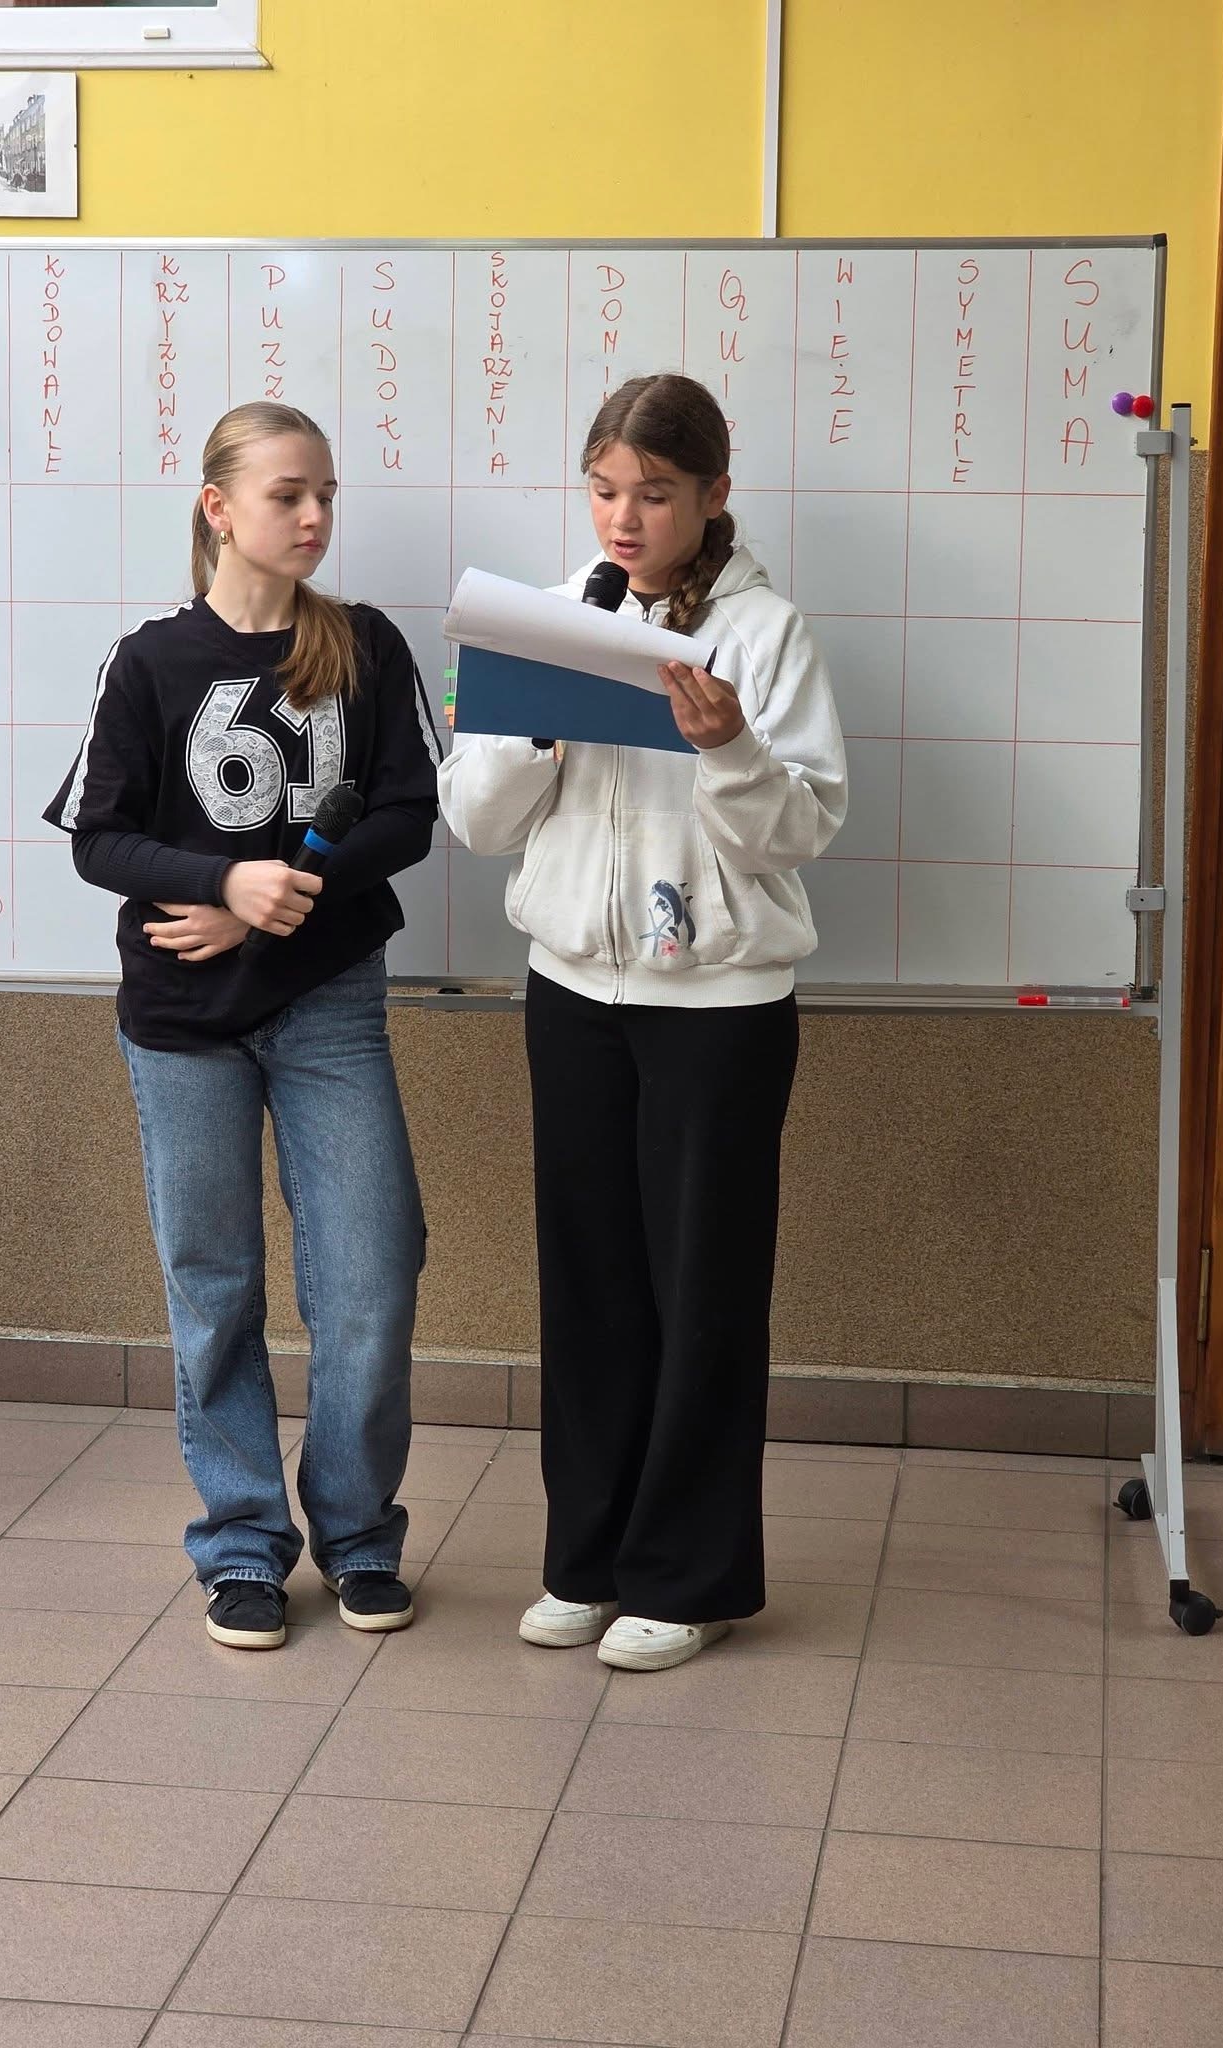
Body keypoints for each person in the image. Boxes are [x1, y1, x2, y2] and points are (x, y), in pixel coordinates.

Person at [439, 373, 847, 1673]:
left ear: (714, 494)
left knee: (702, 1293)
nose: (625, 518)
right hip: (572, 994)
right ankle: (588, 1561)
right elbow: (476, 822)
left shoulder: (765, 633)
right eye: (606, 490)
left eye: (656, 494)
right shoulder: (552, 616)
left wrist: (729, 748)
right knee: (591, 1286)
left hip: (717, 1007)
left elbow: (803, 829)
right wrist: (528, 732)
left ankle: (688, 1576)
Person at [45, 400, 439, 1651]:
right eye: (288, 494)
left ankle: (360, 1536)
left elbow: (408, 813)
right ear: (219, 507)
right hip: (183, 1022)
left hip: (330, 1005)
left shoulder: (363, 645)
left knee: (371, 1275)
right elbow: (99, 837)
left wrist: (279, 896)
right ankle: (244, 1546)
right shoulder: (148, 661)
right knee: (214, 1289)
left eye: (326, 494)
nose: (315, 516)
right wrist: (222, 881)